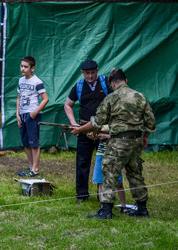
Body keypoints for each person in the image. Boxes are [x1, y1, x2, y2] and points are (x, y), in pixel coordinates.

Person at [70, 68, 156, 219]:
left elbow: (97, 122)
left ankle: (106, 210)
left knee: (109, 173)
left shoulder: (111, 98)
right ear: (126, 81)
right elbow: (150, 121)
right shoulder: (140, 96)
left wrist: (80, 130)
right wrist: (145, 136)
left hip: (118, 142)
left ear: (112, 84)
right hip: (136, 141)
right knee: (135, 174)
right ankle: (142, 208)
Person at [64, 59, 112, 204]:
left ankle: (103, 195)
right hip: (84, 130)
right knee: (82, 162)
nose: (90, 76)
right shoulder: (78, 86)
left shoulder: (106, 82)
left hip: (103, 130)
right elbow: (67, 105)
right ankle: (82, 195)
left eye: (92, 73)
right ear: (82, 73)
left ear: (97, 70)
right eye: (87, 73)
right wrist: (74, 124)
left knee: (105, 162)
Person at [16, 56, 49, 177]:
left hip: (32, 115)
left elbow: (45, 99)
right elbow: (19, 98)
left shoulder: (37, 81)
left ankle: (35, 169)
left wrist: (35, 112)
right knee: (25, 142)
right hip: (22, 114)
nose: (23, 69)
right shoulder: (20, 81)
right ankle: (30, 167)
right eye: (21, 66)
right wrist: (17, 114)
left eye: (26, 66)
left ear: (32, 68)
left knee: (33, 142)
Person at [89, 126, 129, 214]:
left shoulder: (117, 123)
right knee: (100, 182)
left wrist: (106, 135)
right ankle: (103, 206)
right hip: (101, 155)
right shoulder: (101, 124)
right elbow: (93, 134)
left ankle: (124, 206)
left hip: (114, 155)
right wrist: (92, 134)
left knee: (119, 183)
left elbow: (121, 136)